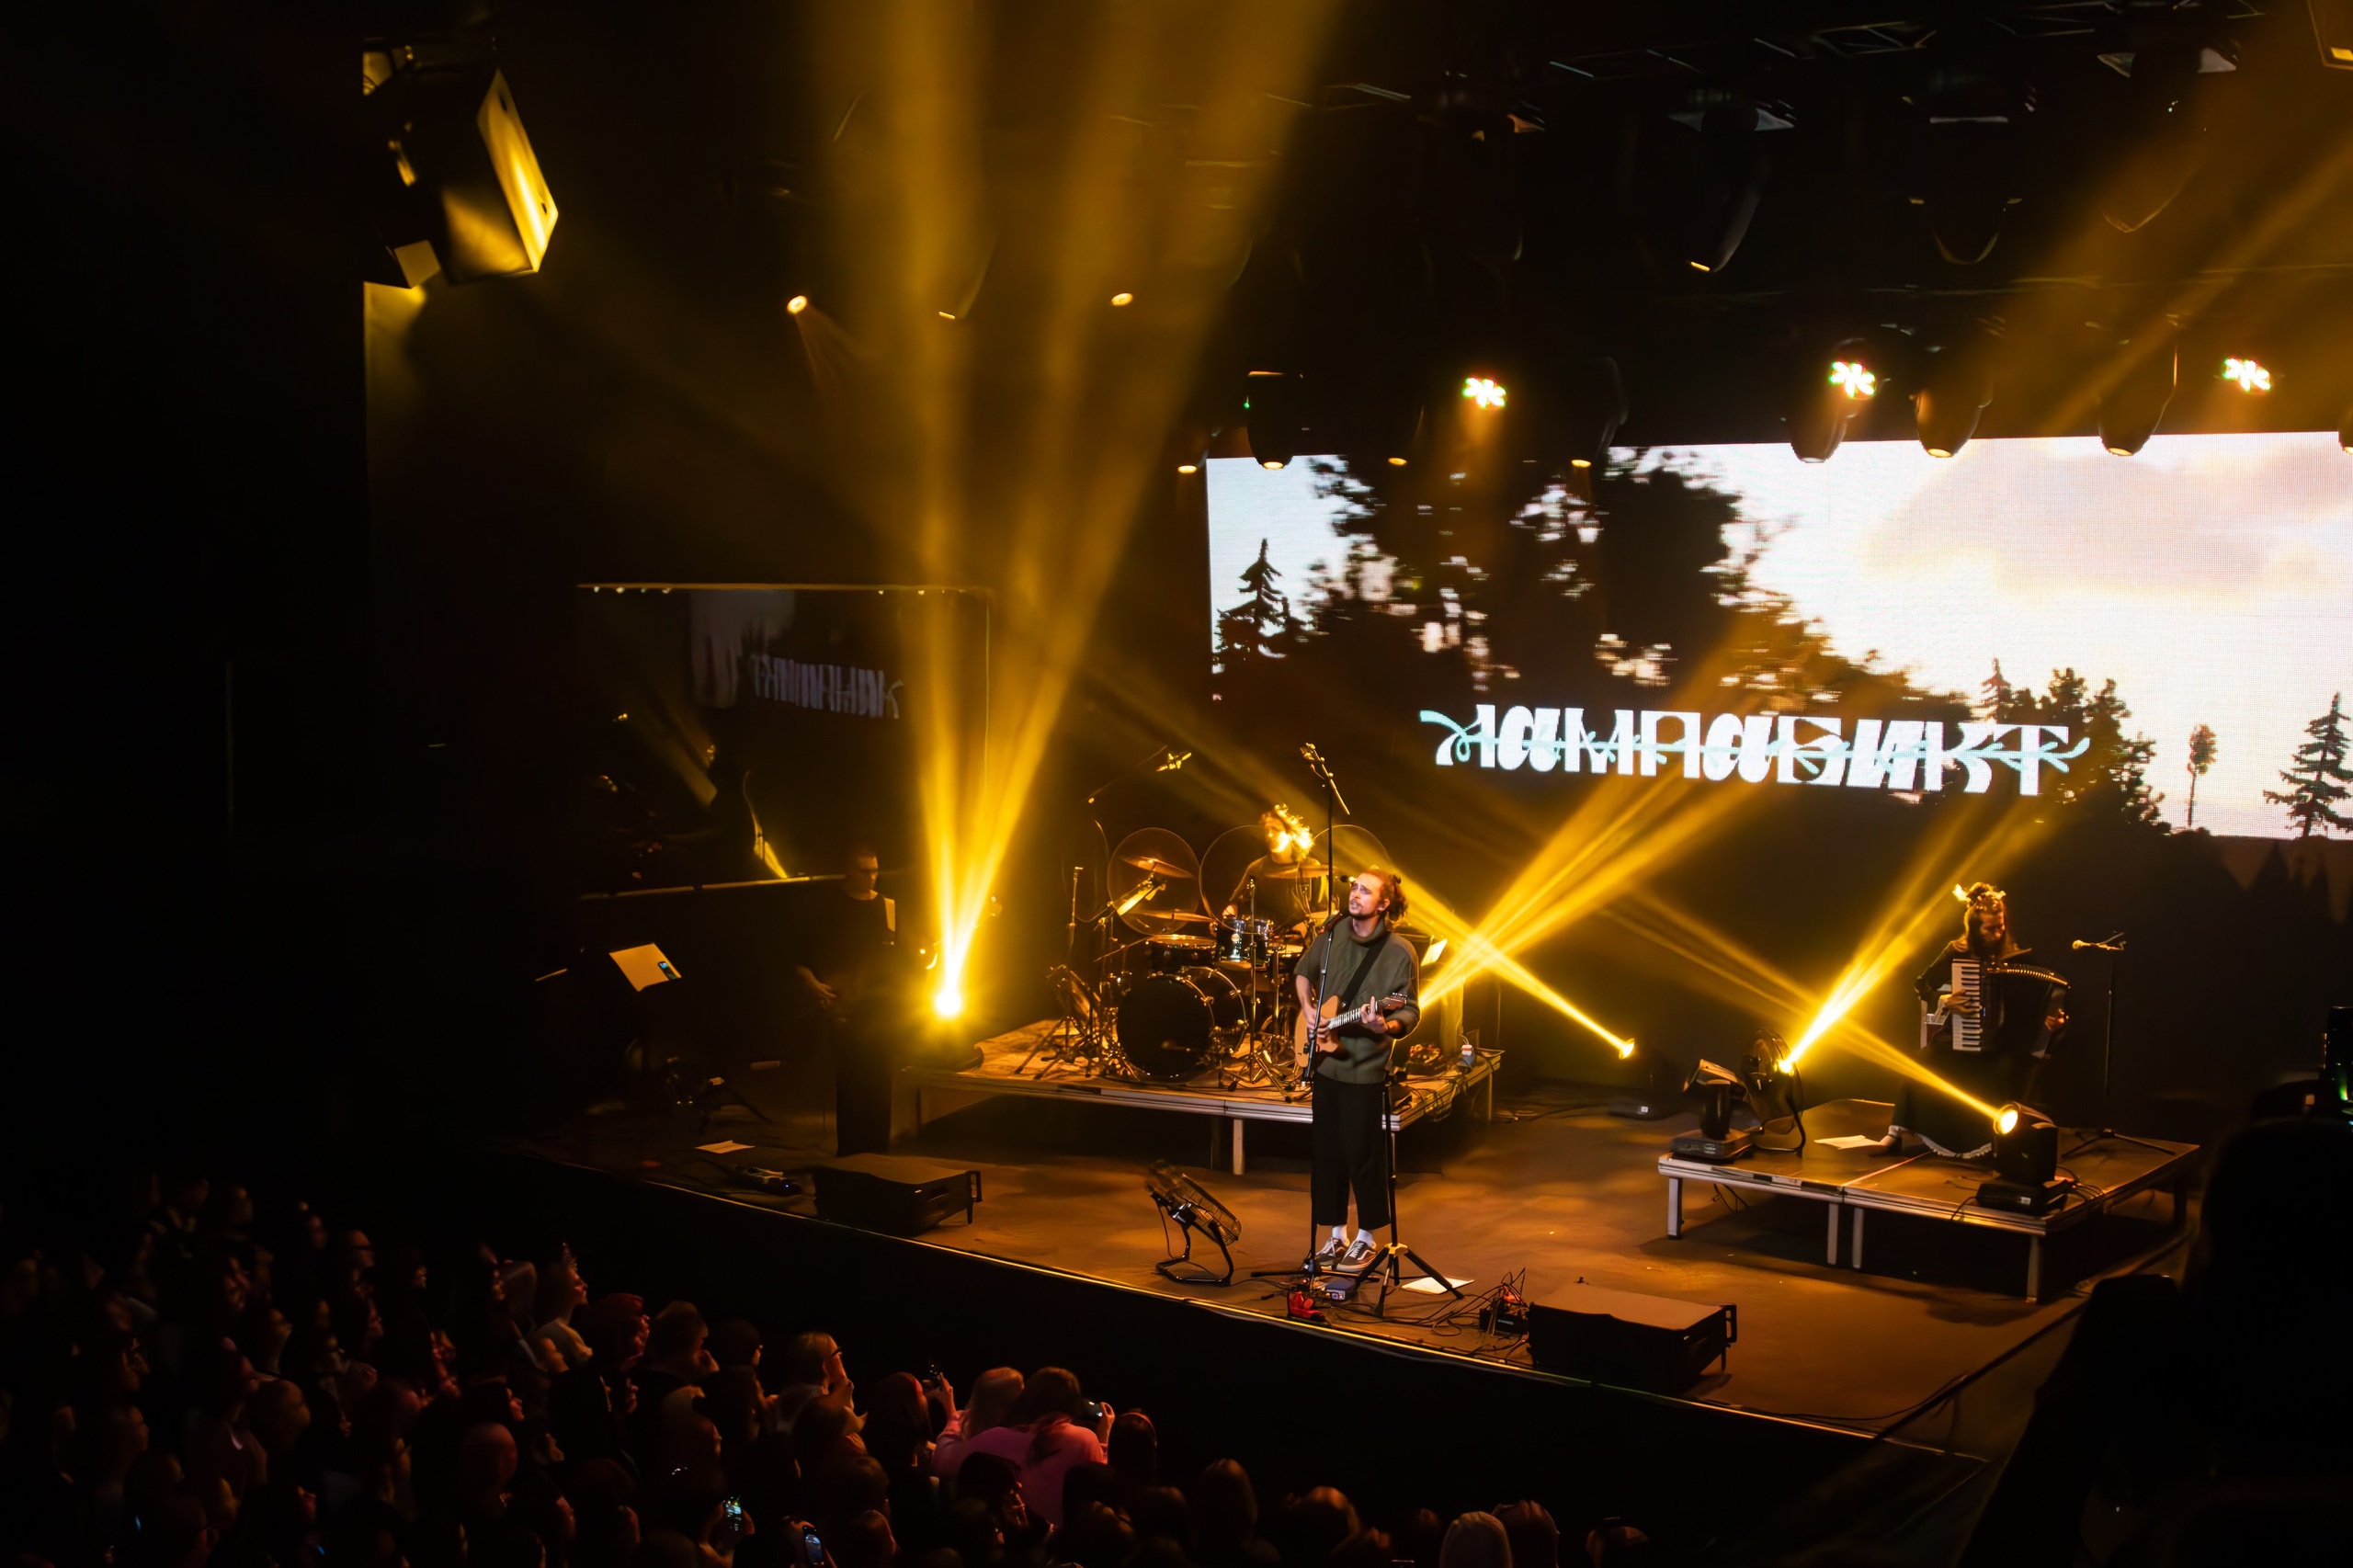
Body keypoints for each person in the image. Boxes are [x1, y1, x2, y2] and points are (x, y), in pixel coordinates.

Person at [1877, 882, 2068, 1157]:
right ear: (1974, 927)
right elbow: (1923, 984)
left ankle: (1995, 1143)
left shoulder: (2017, 959)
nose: (1997, 933)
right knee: (1918, 1064)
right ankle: (1896, 1134)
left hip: (2002, 1047)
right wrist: (1945, 1001)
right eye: (1989, 928)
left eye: (2000, 926)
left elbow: (2045, 1003)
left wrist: (2055, 1023)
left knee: (2005, 1072)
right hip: (1957, 1041)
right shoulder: (1957, 952)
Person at [1293, 869, 1421, 1271]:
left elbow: (1409, 1009)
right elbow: (1301, 972)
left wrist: (1385, 1024)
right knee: (1326, 1153)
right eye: (1354, 887)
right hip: (1327, 1062)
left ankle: (1367, 1237)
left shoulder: (1400, 952)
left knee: (1362, 1152)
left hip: (1364, 1067)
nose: (1355, 894)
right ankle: (1335, 1234)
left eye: (1366, 890)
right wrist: (1309, 1009)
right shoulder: (1331, 937)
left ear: (1384, 904)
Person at [793, 845, 908, 1155]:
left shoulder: (888, 907)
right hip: (842, 1009)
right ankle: (852, 1153)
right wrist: (813, 985)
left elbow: (897, 960)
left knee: (879, 1083)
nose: (872, 877)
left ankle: (876, 1152)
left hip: (880, 1010)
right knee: (850, 1085)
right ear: (848, 871)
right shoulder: (827, 908)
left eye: (874, 870)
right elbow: (798, 955)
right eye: (864, 870)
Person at [1221, 810, 1324, 937]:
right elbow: (1235, 903)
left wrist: (1305, 925)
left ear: (1290, 834)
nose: (1269, 835)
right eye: (1267, 831)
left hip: (1299, 941)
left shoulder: (1311, 866)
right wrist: (1229, 915)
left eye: (1275, 829)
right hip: (1262, 940)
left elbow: (1326, 910)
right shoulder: (1256, 868)